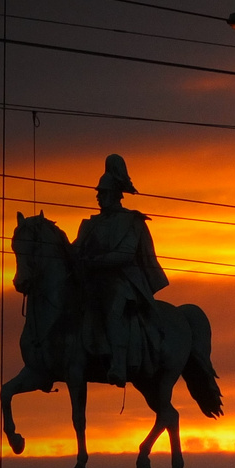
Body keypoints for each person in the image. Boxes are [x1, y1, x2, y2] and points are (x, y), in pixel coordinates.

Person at [72, 154, 169, 384]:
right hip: (94, 280)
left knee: (114, 309)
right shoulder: (90, 224)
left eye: (103, 193)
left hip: (124, 282)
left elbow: (125, 254)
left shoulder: (131, 222)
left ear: (115, 194)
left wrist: (97, 260)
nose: (98, 197)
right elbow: (75, 250)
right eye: (98, 193)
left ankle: (118, 363)